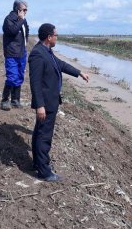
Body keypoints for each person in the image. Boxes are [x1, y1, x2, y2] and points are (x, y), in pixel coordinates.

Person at [28, 23, 89, 182]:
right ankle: (44, 172)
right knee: (44, 136)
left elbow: (60, 64)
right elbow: (35, 83)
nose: (57, 38)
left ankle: (38, 163)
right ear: (49, 37)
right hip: (46, 103)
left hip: (50, 101)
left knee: (39, 133)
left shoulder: (47, 51)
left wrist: (79, 72)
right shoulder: (37, 55)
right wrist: (39, 105)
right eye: (56, 35)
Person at [1, 0, 30, 110]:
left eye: (26, 10)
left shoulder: (22, 20)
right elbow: (12, 31)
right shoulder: (9, 19)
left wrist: (25, 45)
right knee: (12, 76)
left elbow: (26, 32)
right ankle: (4, 101)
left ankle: (15, 100)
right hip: (12, 53)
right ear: (18, 10)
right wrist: (21, 20)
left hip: (22, 53)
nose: (26, 12)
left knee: (19, 76)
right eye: (24, 9)